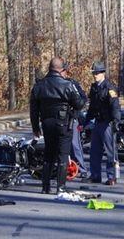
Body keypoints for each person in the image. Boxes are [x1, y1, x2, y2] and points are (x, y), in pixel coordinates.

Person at [30, 57, 85, 194]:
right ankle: (60, 187)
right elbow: (79, 104)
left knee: (48, 155)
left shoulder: (39, 85)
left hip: (47, 124)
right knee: (62, 155)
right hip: (64, 124)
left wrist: (35, 127)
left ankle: (45, 187)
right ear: (61, 70)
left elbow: (33, 109)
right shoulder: (68, 85)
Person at [82, 62, 121, 186]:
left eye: (97, 73)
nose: (95, 75)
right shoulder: (94, 88)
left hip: (107, 123)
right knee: (94, 151)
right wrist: (86, 121)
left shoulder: (109, 88)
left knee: (110, 152)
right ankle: (95, 175)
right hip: (97, 123)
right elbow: (92, 107)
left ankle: (111, 177)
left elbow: (115, 106)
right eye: (94, 73)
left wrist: (116, 121)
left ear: (103, 73)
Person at [59, 64, 89, 178]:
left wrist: (75, 113)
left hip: (71, 118)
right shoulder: (52, 83)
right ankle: (61, 168)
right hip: (58, 119)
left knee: (75, 144)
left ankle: (82, 168)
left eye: (62, 71)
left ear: (65, 72)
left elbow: (83, 99)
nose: (61, 74)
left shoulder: (71, 83)